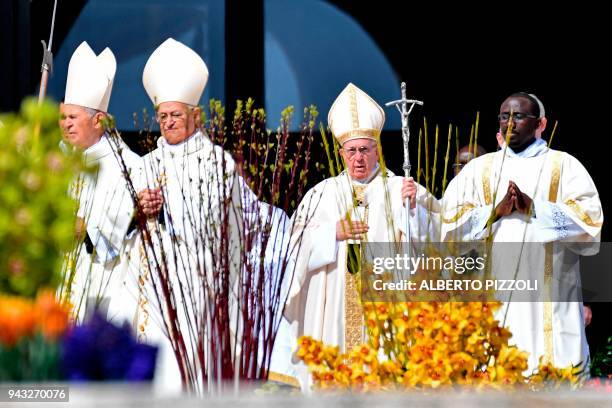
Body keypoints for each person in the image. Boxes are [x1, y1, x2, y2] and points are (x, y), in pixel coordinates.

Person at [284, 83, 439, 390]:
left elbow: (436, 240)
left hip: (387, 307)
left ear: (378, 150)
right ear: (341, 153)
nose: (358, 158)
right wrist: (332, 233)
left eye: (365, 150)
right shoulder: (322, 194)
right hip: (332, 313)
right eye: (351, 151)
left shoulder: (402, 189)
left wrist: (414, 212)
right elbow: (291, 250)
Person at [441, 92, 603, 372]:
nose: (510, 123)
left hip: (553, 294)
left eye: (519, 116)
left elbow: (589, 220)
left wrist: (535, 208)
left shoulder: (563, 165)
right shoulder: (479, 169)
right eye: (504, 116)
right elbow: (448, 225)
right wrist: (495, 211)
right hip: (495, 293)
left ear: (541, 123)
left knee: (556, 375)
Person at [133, 38, 243, 394]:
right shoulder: (146, 163)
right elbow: (124, 224)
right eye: (162, 116)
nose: (168, 122)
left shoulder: (217, 161)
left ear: (195, 116)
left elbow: (221, 219)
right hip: (151, 284)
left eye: (175, 115)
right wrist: (139, 210)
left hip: (199, 281)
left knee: (193, 367)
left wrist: (169, 207)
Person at [58, 41, 141, 323]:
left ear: (98, 120)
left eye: (72, 117)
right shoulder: (52, 156)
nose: (65, 124)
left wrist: (83, 224)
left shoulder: (125, 165)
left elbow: (116, 234)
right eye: (62, 117)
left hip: (98, 286)